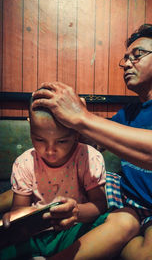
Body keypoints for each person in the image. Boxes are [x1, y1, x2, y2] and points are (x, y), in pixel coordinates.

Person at [31, 24, 152, 260]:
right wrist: (60, 118)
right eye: (125, 59)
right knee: (47, 164)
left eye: (137, 55)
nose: (127, 64)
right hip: (125, 198)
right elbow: (89, 142)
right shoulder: (128, 113)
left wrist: (82, 118)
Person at [0, 97, 138, 260]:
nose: (50, 151)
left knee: (126, 220)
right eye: (39, 139)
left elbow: (100, 205)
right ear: (30, 125)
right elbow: (18, 210)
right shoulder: (24, 162)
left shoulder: (88, 157)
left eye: (62, 141)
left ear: (76, 133)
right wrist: (14, 218)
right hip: (35, 236)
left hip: (74, 231)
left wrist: (75, 212)